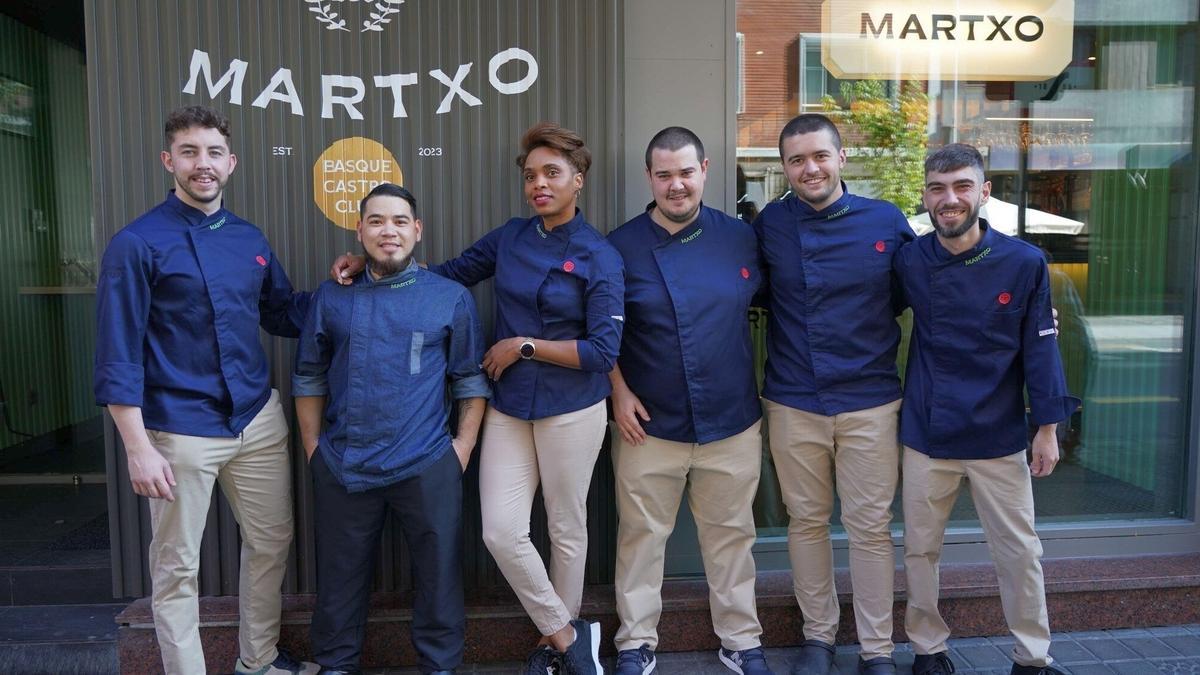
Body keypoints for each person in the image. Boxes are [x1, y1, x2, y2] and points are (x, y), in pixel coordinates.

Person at [332, 122, 623, 675]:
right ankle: (569, 636)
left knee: (565, 529)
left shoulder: (600, 255)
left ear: (578, 179)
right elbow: (443, 276)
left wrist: (524, 346)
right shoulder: (510, 237)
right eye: (531, 176)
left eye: (552, 173)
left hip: (571, 408)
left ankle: (552, 652)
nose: (539, 184)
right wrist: (371, 265)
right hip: (509, 406)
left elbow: (603, 351)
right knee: (500, 531)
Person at [94, 105, 315, 675]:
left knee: (271, 543)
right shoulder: (136, 243)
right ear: (168, 160)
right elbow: (117, 352)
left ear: (231, 162)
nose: (203, 164)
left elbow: (282, 313)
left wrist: (349, 282)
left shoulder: (249, 238)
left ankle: (258, 661)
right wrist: (137, 447)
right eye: (189, 152)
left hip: (256, 419)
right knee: (177, 568)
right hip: (179, 428)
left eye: (214, 152)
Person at [893, 144, 1077, 675]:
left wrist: (1047, 428)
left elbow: (1041, 347)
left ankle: (1032, 657)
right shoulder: (909, 260)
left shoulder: (1024, 262)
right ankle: (927, 649)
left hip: (999, 430)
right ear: (925, 196)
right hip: (928, 429)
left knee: (1020, 551)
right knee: (920, 550)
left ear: (984, 192)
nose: (949, 199)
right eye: (937, 188)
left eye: (962, 186)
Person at [293, 183, 490, 675]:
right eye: (377, 221)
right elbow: (309, 375)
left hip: (427, 462)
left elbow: (469, 379)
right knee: (339, 580)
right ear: (359, 230)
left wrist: (462, 449)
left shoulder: (449, 297)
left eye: (400, 221)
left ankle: (439, 667)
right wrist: (314, 447)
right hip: (344, 462)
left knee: (440, 578)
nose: (389, 231)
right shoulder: (331, 297)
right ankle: (336, 665)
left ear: (417, 230)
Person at [752, 113, 914, 675]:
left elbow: (918, 291)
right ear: (785, 167)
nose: (810, 168)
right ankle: (818, 638)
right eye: (797, 160)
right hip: (794, 398)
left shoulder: (885, 220)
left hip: (871, 399)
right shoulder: (770, 224)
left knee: (870, 528)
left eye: (820, 156)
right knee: (806, 522)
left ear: (841, 157)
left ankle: (877, 650)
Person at [607, 127, 772, 675]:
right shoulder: (619, 246)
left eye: (685, 172)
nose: (676, 185)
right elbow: (598, 329)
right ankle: (635, 642)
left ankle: (741, 640)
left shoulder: (741, 237)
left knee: (732, 538)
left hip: (732, 418)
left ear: (704, 170)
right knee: (640, 538)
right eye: (664, 175)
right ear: (649, 178)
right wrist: (618, 392)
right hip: (648, 423)